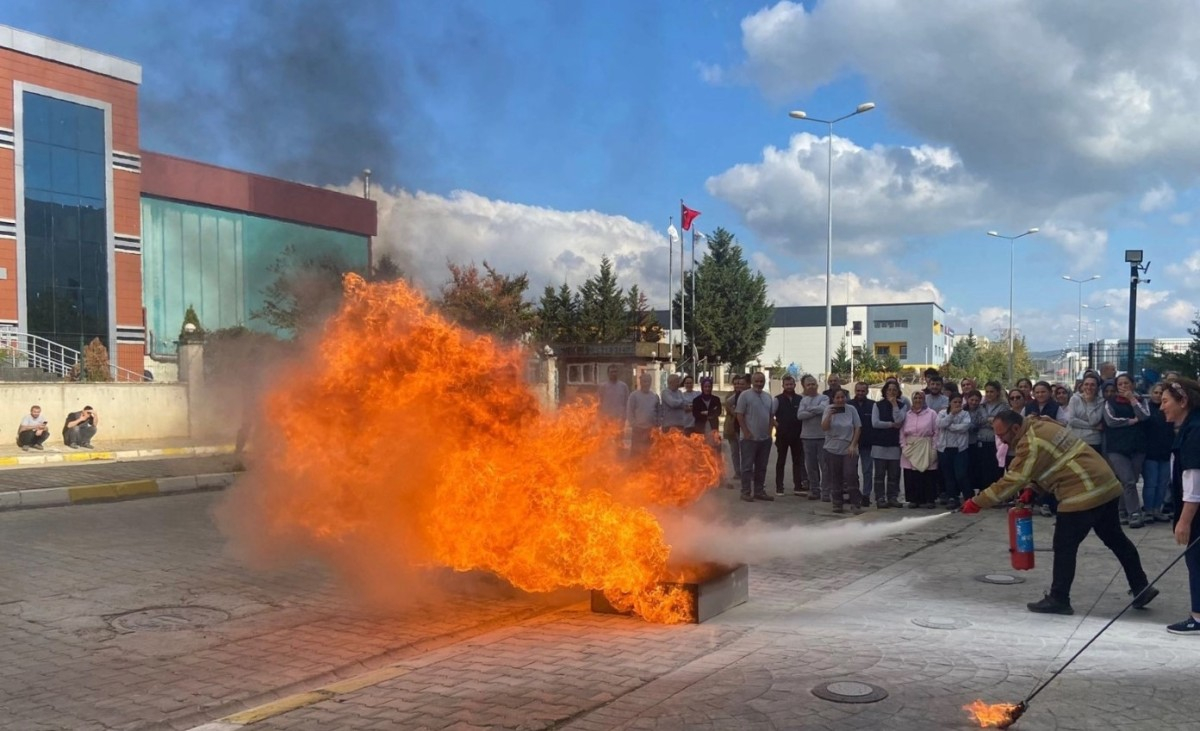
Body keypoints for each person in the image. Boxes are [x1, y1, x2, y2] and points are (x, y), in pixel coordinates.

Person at [963, 411, 1159, 615]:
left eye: (1002, 435)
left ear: (1014, 428)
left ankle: (1059, 598)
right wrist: (1034, 489)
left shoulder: (1030, 442)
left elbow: (1013, 480)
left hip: (1083, 491)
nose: (1001, 440)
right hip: (1106, 485)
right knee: (1116, 539)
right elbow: (1050, 463)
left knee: (1065, 545)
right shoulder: (1041, 426)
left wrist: (978, 502)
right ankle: (1141, 587)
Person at [1160, 378, 1200, 634]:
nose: (1161, 407)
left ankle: (1198, 616)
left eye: (1165, 401)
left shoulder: (1194, 431)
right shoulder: (1190, 427)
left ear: (1183, 401)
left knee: (1196, 561)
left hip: (1197, 515)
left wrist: (1184, 521)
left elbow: (1194, 482)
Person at [1104, 373, 1150, 528]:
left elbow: (1144, 416)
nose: (1123, 387)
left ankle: (1122, 509)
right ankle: (1134, 513)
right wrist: (1130, 421)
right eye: (1120, 384)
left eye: (1126, 383)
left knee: (1130, 481)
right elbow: (1111, 420)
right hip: (1117, 447)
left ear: (1132, 384)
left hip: (1137, 447)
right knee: (1128, 480)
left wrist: (1132, 400)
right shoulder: (1110, 402)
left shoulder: (1141, 400)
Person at [736, 371, 778, 502]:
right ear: (752, 382)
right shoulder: (745, 395)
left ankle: (759, 491)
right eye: (757, 381)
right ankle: (745, 492)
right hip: (749, 439)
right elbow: (739, 415)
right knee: (747, 467)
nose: (759, 384)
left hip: (764, 439)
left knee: (761, 467)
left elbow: (771, 416)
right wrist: (746, 431)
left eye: (761, 381)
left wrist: (770, 432)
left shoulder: (768, 397)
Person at [822, 388, 863, 514]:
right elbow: (824, 427)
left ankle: (855, 503)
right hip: (832, 448)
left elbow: (858, 427)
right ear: (833, 399)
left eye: (842, 397)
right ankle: (837, 503)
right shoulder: (828, 409)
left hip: (848, 448)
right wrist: (829, 416)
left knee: (850, 474)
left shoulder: (851, 409)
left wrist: (853, 445)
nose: (840, 400)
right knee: (835, 476)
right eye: (837, 398)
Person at [870, 379, 907, 509]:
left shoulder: (902, 406)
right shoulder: (877, 405)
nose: (891, 392)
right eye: (889, 389)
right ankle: (880, 497)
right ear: (885, 391)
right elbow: (875, 423)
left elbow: (899, 420)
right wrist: (890, 425)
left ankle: (892, 497)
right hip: (879, 444)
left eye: (894, 390)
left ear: (898, 392)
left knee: (894, 474)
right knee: (879, 474)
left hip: (894, 445)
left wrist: (894, 405)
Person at [900, 390, 939, 508]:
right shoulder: (907, 415)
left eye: (920, 398)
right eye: (915, 398)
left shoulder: (931, 414)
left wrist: (934, 447)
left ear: (924, 399)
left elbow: (937, 432)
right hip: (910, 447)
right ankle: (914, 499)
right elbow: (901, 432)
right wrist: (904, 446)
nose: (918, 400)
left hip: (926, 445)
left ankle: (929, 499)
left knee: (928, 473)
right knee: (912, 475)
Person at [1142, 381, 1174, 524]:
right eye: (1156, 392)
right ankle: (1148, 510)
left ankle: (1157, 509)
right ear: (1151, 393)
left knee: (1163, 483)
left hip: (1166, 451)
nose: (1158, 396)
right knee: (1151, 483)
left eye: (1161, 393)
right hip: (1150, 452)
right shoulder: (1146, 409)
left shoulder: (1169, 409)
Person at [797, 375, 830, 501]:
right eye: (808, 384)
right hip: (807, 437)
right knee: (811, 466)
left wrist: (809, 410)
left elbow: (824, 409)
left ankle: (826, 492)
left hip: (822, 437)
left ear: (817, 385)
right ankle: (814, 490)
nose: (811, 386)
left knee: (825, 466)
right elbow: (800, 415)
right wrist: (816, 411)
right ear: (804, 386)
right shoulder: (803, 400)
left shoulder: (824, 397)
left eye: (813, 384)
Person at [936, 393, 972, 509]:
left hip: (960, 449)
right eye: (954, 402)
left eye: (959, 402)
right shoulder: (942, 413)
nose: (957, 404)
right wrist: (951, 415)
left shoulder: (965, 413)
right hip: (944, 448)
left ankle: (969, 497)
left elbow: (965, 427)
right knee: (948, 475)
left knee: (961, 474)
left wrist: (951, 427)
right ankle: (952, 497)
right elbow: (940, 424)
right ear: (950, 403)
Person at [773, 375, 806, 497]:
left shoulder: (800, 399)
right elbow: (770, 415)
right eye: (787, 384)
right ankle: (779, 487)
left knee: (797, 462)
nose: (789, 386)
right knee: (780, 461)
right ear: (783, 386)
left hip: (797, 436)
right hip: (782, 436)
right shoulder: (777, 399)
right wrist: (778, 426)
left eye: (791, 384)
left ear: (795, 385)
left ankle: (798, 486)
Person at [849, 382, 876, 507]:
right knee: (851, 471)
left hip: (867, 443)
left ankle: (866, 495)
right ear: (855, 390)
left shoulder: (872, 405)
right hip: (852, 442)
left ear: (867, 391)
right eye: (858, 390)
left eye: (862, 391)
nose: (860, 393)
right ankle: (854, 494)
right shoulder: (848, 405)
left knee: (867, 470)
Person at [1067, 374, 1105, 453]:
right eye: (1086, 384)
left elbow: (1093, 421)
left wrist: (1090, 403)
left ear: (1097, 387)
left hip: (1093, 441)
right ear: (1082, 386)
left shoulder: (1101, 402)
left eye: (1092, 385)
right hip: (1075, 439)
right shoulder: (1074, 399)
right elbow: (1072, 421)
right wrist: (1094, 427)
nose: (1089, 387)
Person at [626, 373, 660, 458]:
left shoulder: (655, 396)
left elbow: (659, 412)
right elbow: (629, 412)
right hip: (638, 430)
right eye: (644, 381)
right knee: (636, 455)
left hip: (650, 431)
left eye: (648, 381)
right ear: (640, 382)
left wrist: (657, 423)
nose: (646, 384)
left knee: (649, 454)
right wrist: (634, 424)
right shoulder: (634, 396)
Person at [722, 375, 748, 488]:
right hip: (731, 427)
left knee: (745, 452)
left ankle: (746, 472)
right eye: (736, 383)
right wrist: (737, 413)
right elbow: (728, 405)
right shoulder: (732, 395)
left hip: (743, 427)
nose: (738, 385)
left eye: (740, 383)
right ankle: (738, 472)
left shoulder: (746, 395)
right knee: (734, 452)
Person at [597, 365, 630, 431]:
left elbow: (627, 403)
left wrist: (625, 417)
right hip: (606, 419)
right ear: (608, 373)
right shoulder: (603, 387)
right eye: (611, 372)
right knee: (606, 439)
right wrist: (600, 417)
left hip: (619, 419)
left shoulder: (623, 386)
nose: (613, 374)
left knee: (619, 438)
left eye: (615, 372)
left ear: (618, 373)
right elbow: (598, 403)